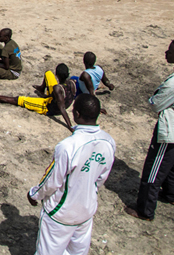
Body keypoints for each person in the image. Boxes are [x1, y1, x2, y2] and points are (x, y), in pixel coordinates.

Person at [125, 38, 174, 221]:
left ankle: (145, 210)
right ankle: (170, 195)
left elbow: (155, 103)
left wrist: (156, 97)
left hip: (172, 131)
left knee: (153, 171)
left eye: (171, 51)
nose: (166, 53)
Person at [27, 95, 116, 255]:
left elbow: (52, 181)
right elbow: (101, 177)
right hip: (86, 210)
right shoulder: (108, 142)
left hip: (60, 213)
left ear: (77, 115)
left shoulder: (68, 146)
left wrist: (34, 194)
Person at [0, 63, 76, 132]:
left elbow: (62, 108)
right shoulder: (71, 83)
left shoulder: (58, 89)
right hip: (60, 99)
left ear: (57, 75)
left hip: (49, 107)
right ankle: (41, 88)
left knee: (18, 99)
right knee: (48, 73)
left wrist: (70, 126)